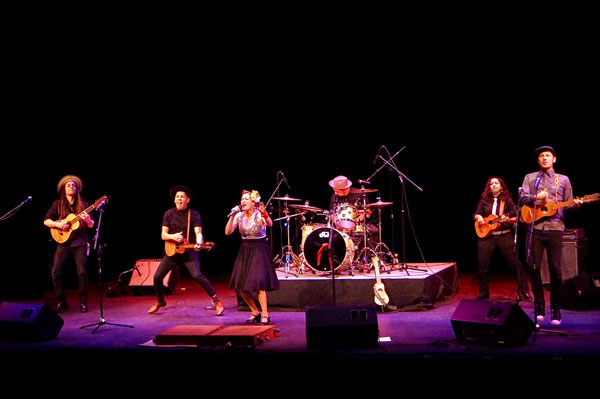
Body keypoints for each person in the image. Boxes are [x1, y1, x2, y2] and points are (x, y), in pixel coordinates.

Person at [519, 146, 583, 326]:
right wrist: (535, 197)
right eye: (541, 156)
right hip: (535, 228)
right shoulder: (530, 178)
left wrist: (575, 204)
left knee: (555, 270)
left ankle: (556, 307)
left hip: (555, 228)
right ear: (538, 160)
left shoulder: (563, 179)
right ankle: (539, 307)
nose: (544, 158)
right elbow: (522, 198)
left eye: (548, 155)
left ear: (554, 159)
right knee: (533, 267)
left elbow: (567, 205)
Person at [148, 185, 224, 316]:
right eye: (177, 196)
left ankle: (217, 301)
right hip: (172, 251)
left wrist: (199, 242)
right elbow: (163, 235)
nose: (179, 198)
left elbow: (198, 233)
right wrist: (173, 237)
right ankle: (160, 301)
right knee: (157, 277)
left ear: (187, 200)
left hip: (188, 252)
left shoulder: (193, 215)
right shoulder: (168, 214)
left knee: (197, 276)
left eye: (182, 196)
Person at [226, 190, 279, 325]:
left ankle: (265, 314)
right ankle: (255, 312)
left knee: (259, 285)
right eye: (242, 199)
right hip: (245, 250)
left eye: (246, 199)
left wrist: (265, 214)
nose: (243, 201)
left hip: (259, 249)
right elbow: (227, 232)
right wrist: (232, 216)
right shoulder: (239, 216)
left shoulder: (259, 214)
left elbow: (270, 224)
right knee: (241, 286)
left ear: (253, 202)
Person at [473, 177, 530, 301]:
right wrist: (479, 218)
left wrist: (508, 219)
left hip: (504, 234)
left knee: (515, 263)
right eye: (491, 184)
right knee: (483, 265)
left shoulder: (507, 200)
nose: (493, 185)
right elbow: (476, 214)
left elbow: (516, 218)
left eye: (496, 183)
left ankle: (524, 291)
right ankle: (484, 293)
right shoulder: (484, 200)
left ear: (501, 186)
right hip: (487, 236)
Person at [44, 175, 94, 313]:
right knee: (55, 272)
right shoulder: (57, 204)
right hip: (63, 243)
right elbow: (46, 221)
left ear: (77, 189)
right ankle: (61, 301)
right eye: (68, 185)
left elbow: (91, 225)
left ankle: (83, 302)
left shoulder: (84, 205)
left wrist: (88, 220)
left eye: (73, 185)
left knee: (82, 272)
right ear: (64, 189)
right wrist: (57, 224)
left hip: (80, 243)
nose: (71, 187)